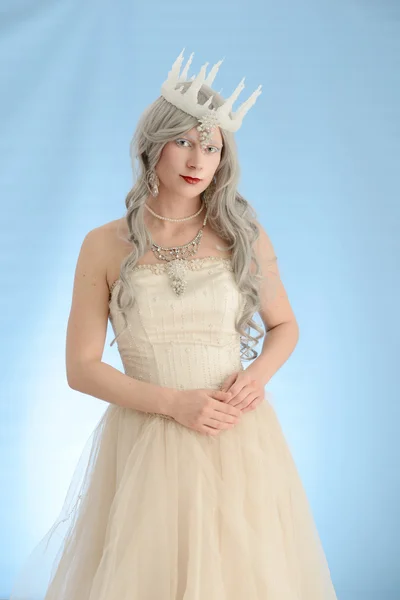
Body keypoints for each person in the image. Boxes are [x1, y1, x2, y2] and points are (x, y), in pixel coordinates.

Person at [10, 49, 338, 599]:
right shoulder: (103, 245)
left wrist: (254, 380)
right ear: (151, 145)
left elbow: (285, 327)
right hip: (145, 439)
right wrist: (173, 403)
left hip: (235, 437)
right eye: (183, 140)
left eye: (211, 146)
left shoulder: (245, 236)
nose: (198, 158)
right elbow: (80, 368)